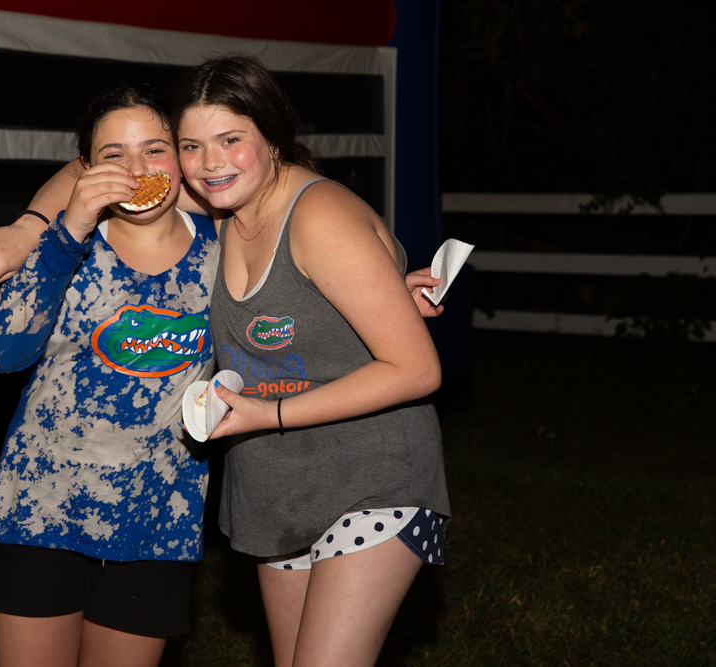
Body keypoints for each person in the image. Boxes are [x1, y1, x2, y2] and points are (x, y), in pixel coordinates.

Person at [168, 54, 451, 667]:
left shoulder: (319, 216)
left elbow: (417, 369)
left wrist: (264, 415)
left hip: (372, 479)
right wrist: (24, 231)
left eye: (230, 139)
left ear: (272, 136)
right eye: (191, 146)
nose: (210, 162)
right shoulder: (220, 206)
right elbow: (105, 168)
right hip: (278, 489)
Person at [0, 84, 220, 667]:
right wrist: (64, 231)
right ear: (85, 169)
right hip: (37, 511)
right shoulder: (66, 247)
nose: (137, 171)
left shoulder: (226, 249)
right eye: (114, 156)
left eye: (154, 150)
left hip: (158, 521)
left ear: (181, 159)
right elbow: (1, 353)